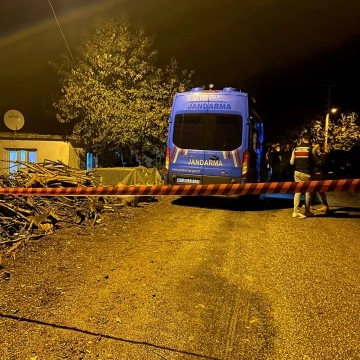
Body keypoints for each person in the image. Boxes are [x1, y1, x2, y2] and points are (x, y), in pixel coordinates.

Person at [290, 134, 313, 218]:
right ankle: (307, 211)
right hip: (306, 172)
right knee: (308, 192)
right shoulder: (311, 149)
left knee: (297, 191)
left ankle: (295, 211)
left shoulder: (296, 148)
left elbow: (291, 162)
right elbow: (315, 160)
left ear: (302, 139)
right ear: (309, 140)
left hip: (297, 172)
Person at [311, 142, 330, 213]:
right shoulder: (319, 153)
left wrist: (314, 156)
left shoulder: (323, 154)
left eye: (315, 145)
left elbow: (320, 163)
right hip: (317, 173)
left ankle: (325, 206)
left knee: (320, 190)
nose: (314, 146)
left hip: (320, 173)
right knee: (313, 189)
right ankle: (310, 203)